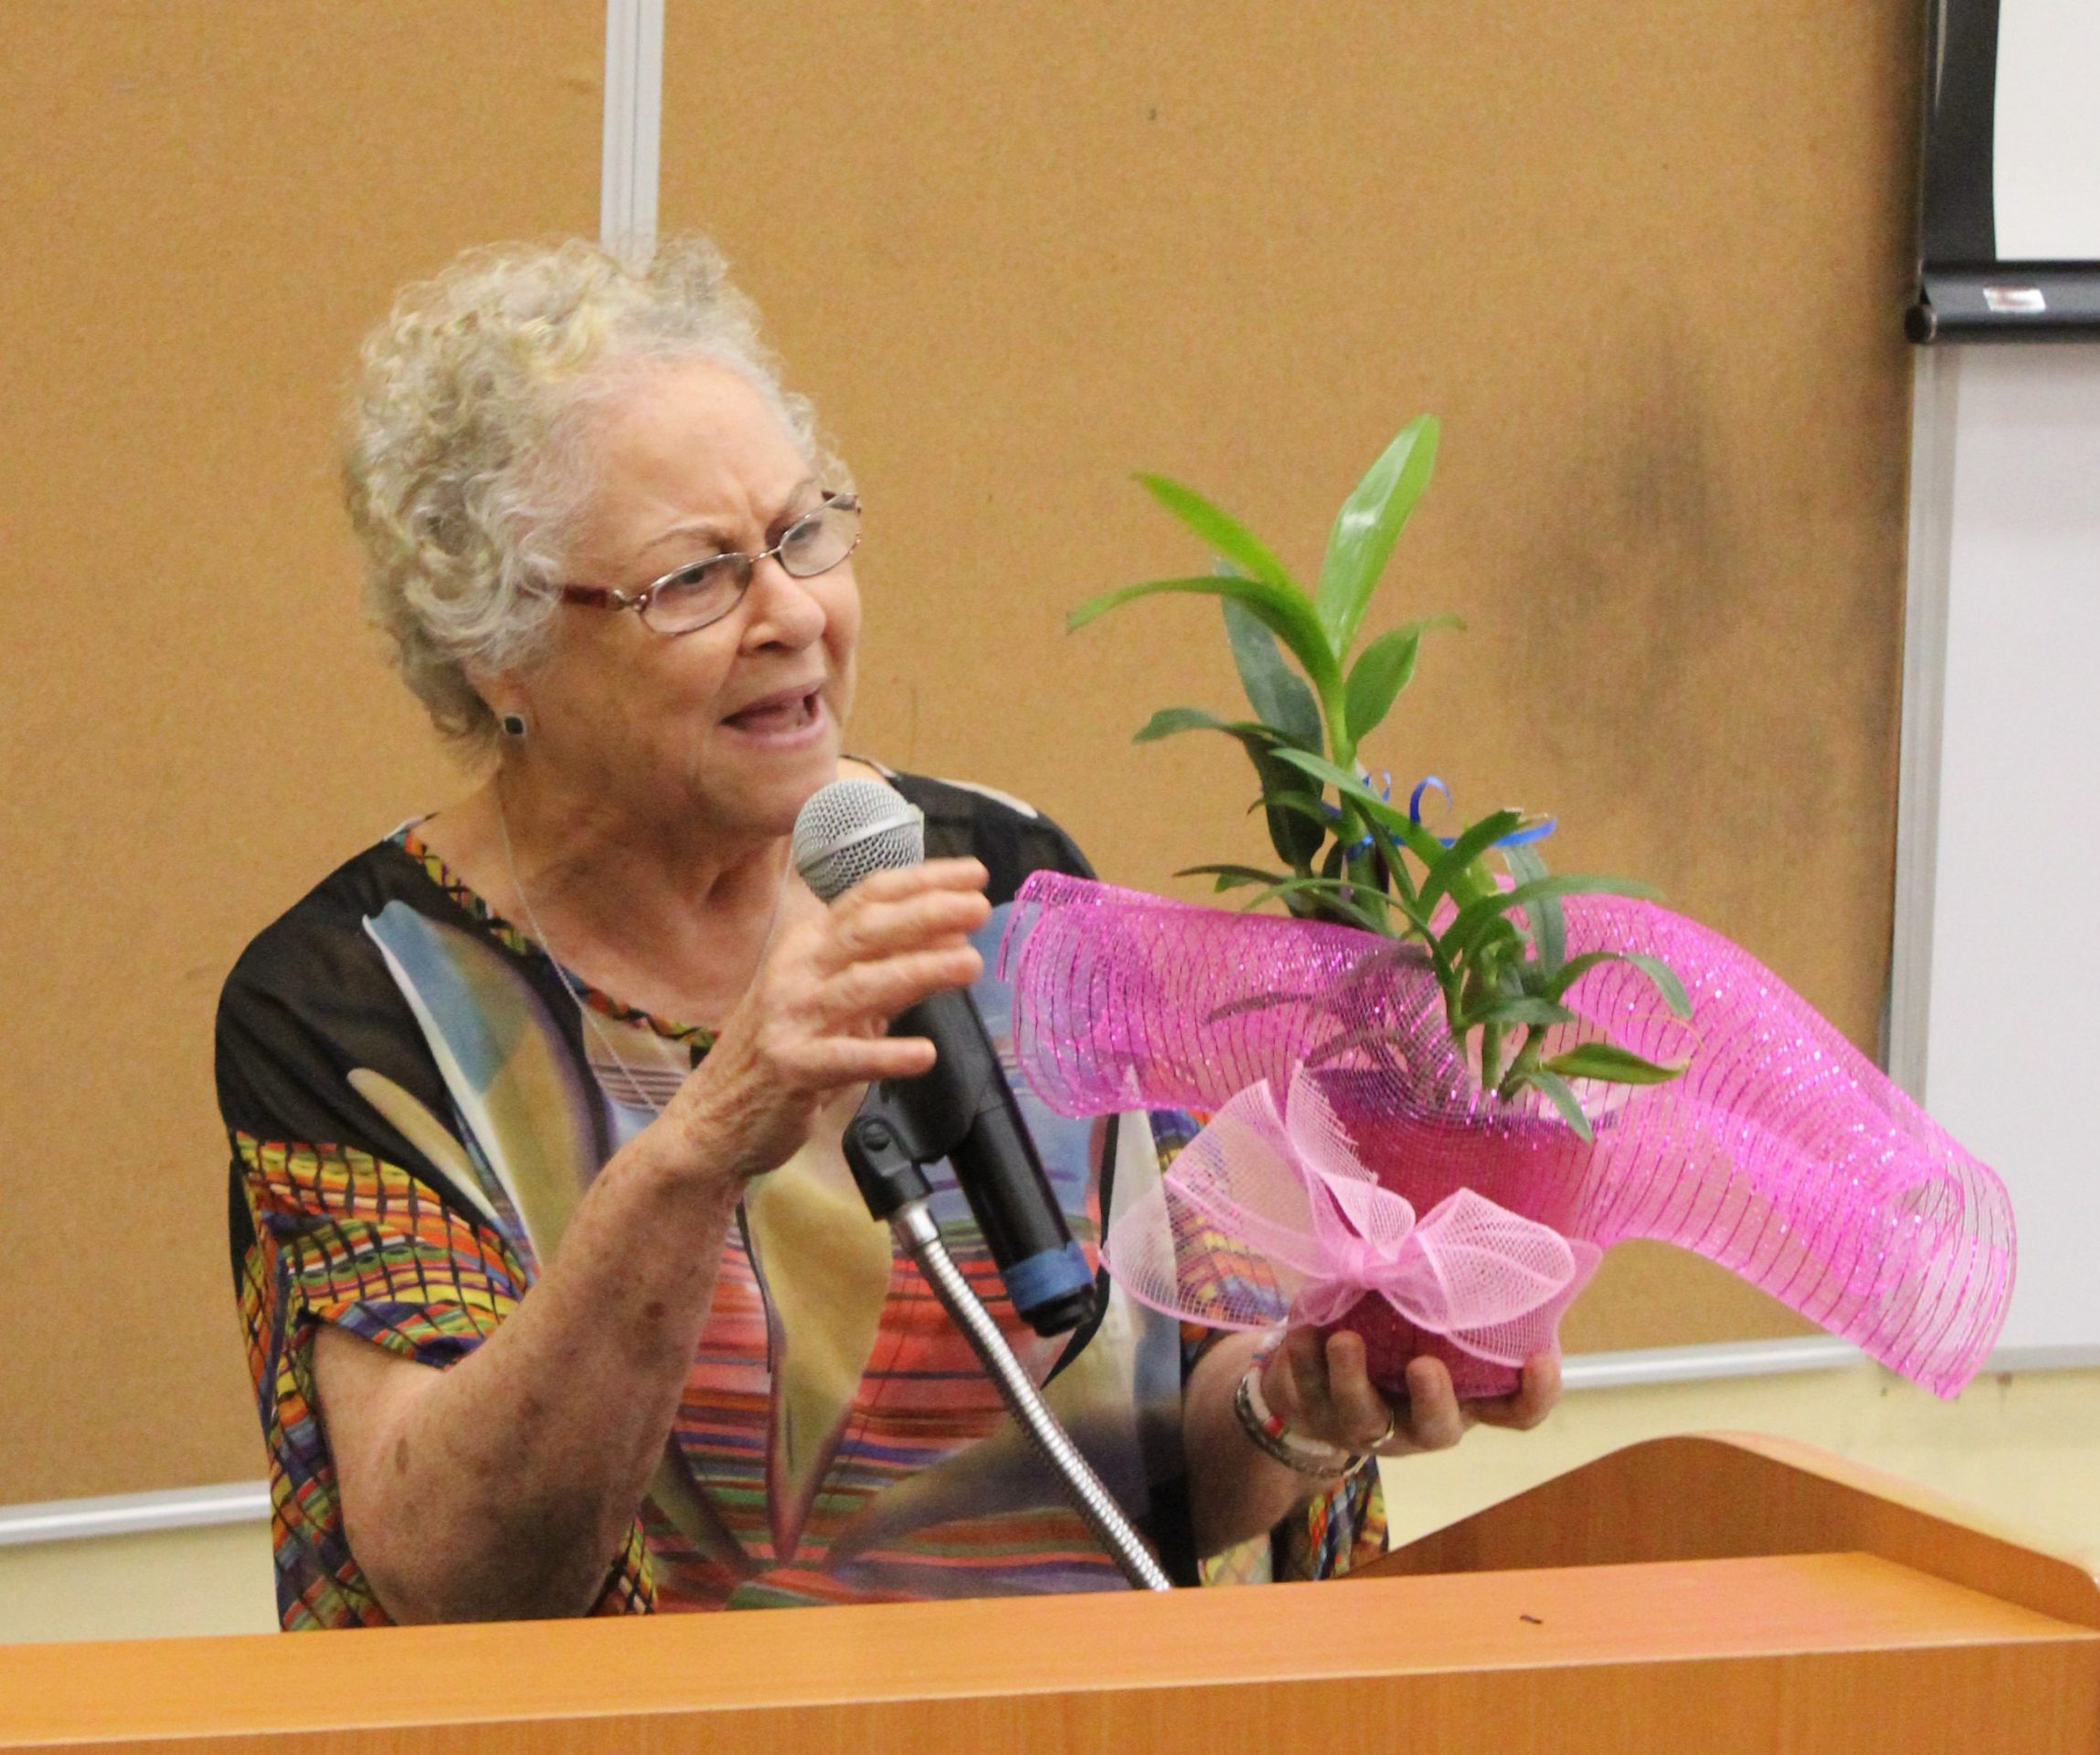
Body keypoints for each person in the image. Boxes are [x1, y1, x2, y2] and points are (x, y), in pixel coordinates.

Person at [218, 238, 1562, 1630]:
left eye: (802, 538)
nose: (793, 614)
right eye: (695, 580)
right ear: (499, 651)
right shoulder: (358, 1007)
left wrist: (1300, 1401)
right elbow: (457, 1576)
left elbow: (1164, 1473)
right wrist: (704, 1143)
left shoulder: (1005, 878)